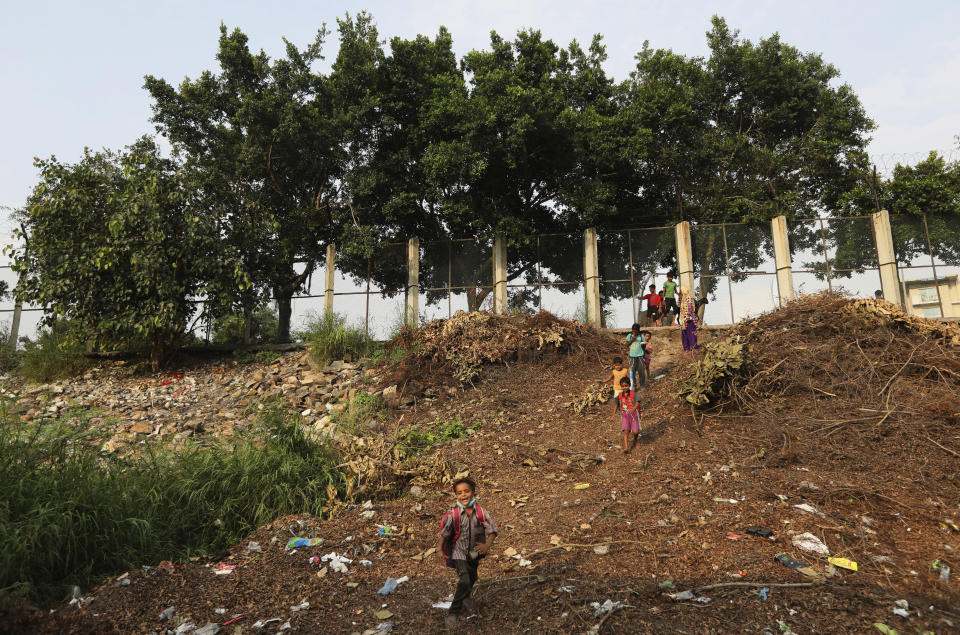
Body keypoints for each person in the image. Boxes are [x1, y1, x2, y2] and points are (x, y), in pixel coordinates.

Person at [438, 477, 498, 629]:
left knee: (473, 577)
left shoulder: (481, 512)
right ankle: (453, 611)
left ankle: (466, 597)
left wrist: (487, 545)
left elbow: (492, 530)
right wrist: (440, 549)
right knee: (464, 579)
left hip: (474, 553)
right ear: (456, 496)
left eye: (466, 491)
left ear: (473, 492)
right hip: (459, 552)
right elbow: (445, 534)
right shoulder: (454, 515)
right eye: (459, 493)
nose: (463, 495)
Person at [614, 376, 641, 452]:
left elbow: (638, 402)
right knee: (626, 431)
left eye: (626, 386)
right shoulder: (619, 395)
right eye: (623, 386)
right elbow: (616, 403)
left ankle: (635, 440)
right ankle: (626, 448)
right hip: (625, 415)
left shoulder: (633, 394)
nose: (624, 387)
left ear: (629, 385)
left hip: (633, 415)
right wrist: (614, 414)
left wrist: (633, 409)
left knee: (635, 431)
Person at [625, 323, 646, 390]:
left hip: (640, 355)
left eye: (636, 331)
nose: (634, 332)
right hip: (632, 355)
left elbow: (644, 344)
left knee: (641, 371)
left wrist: (643, 345)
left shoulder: (641, 336)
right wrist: (632, 340)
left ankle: (642, 385)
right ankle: (633, 385)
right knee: (632, 371)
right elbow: (626, 345)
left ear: (638, 331)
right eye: (633, 331)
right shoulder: (630, 335)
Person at [678, 286, 698, 352]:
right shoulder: (682, 299)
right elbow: (679, 306)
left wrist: (688, 315)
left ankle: (693, 347)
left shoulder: (688, 297)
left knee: (691, 333)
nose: (680, 292)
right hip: (684, 320)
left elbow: (690, 307)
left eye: (681, 291)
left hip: (689, 318)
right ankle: (686, 348)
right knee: (684, 333)